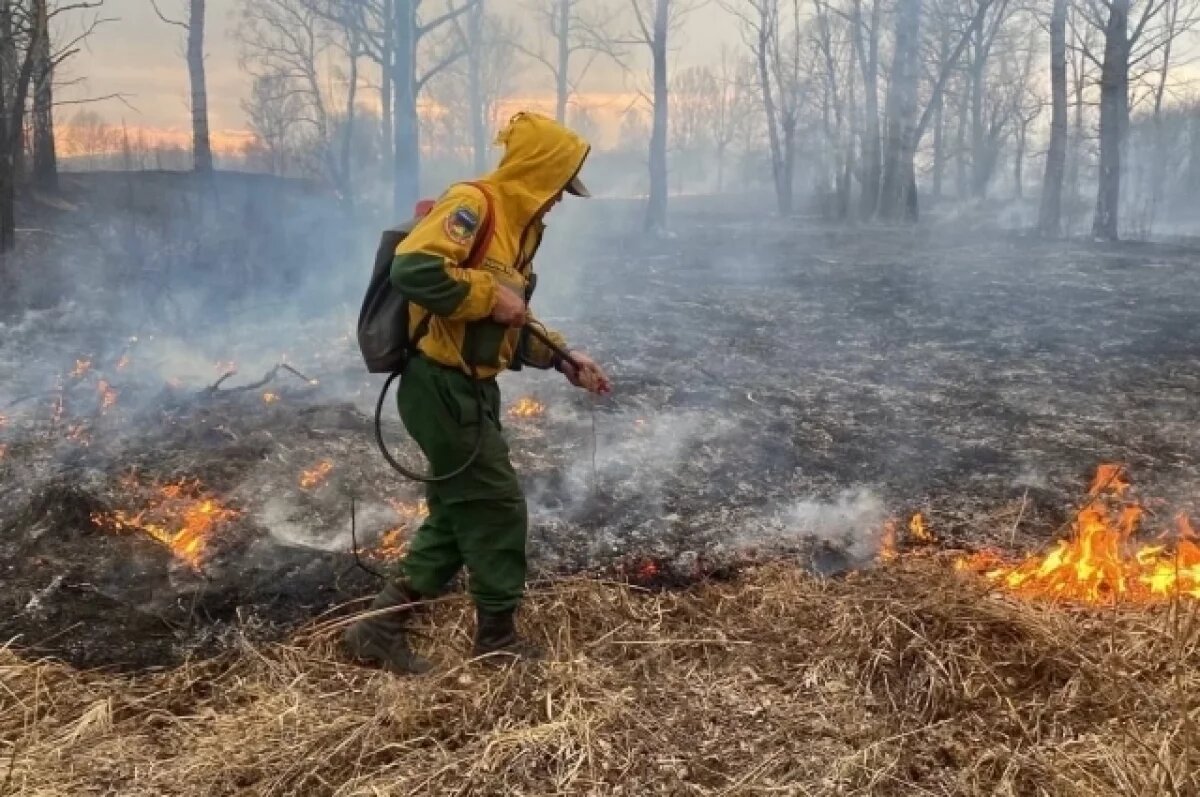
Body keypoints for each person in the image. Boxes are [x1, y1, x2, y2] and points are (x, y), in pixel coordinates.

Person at [344, 111, 611, 674]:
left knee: (455, 510)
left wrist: (564, 359)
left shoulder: (518, 230)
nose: (560, 200)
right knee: (496, 507)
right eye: (559, 187)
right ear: (537, 173)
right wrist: (489, 294)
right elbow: (413, 268)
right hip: (437, 386)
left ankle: (378, 627)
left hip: (471, 387)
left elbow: (504, 326)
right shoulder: (474, 204)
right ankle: (496, 640)